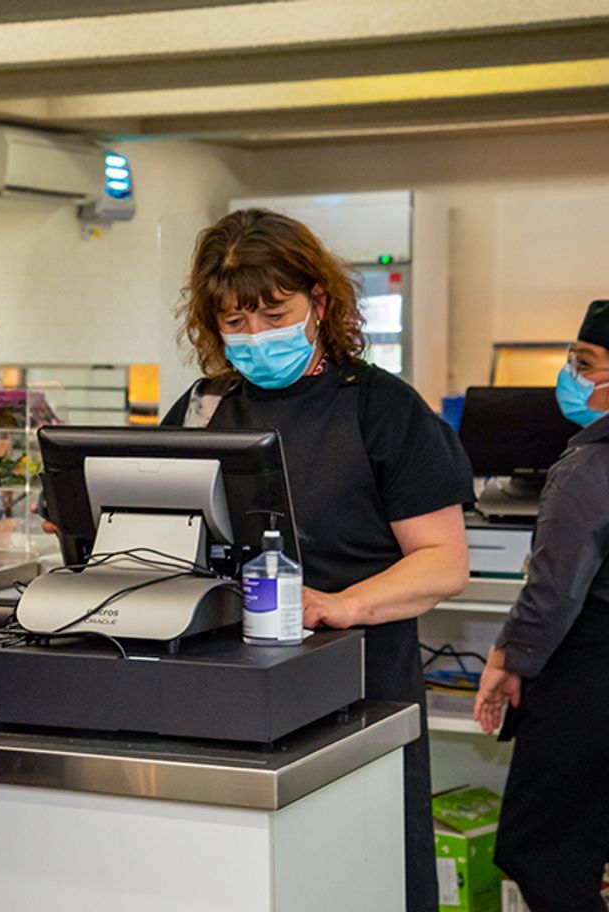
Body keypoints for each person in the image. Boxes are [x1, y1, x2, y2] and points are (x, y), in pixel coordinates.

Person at [163, 209, 471, 912]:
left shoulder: (383, 410)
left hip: (361, 689)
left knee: (363, 872)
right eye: (233, 324)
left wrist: (340, 605)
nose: (253, 338)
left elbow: (443, 562)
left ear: (320, 303)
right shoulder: (205, 409)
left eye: (273, 315)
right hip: (229, 688)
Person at [474, 299, 609, 912]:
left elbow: (554, 589)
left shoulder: (590, 466)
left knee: (545, 853)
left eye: (584, 363)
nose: (571, 375)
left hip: (589, 680)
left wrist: (507, 658)